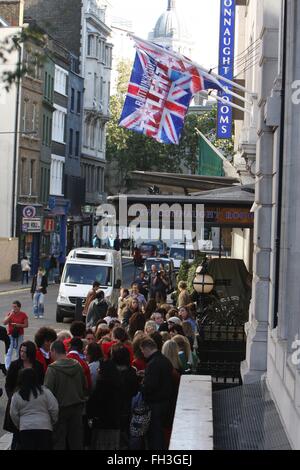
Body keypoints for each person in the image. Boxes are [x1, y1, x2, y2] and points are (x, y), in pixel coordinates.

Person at [44, 340, 87, 450]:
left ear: (54, 351)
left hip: (60, 410)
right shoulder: (77, 366)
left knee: (59, 442)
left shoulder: (52, 369)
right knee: (76, 442)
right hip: (77, 408)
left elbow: (48, 393)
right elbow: (84, 386)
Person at [3, 341, 44, 450]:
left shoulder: (38, 366)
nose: (21, 353)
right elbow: (8, 385)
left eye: (24, 351)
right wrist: (12, 397)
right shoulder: (15, 365)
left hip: (33, 404)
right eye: (20, 351)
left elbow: (41, 384)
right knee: (16, 436)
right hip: (17, 403)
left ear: (30, 352)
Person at [9, 368, 59, 450]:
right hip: (44, 426)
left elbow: (13, 413)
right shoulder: (45, 392)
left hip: (25, 428)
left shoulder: (17, 395)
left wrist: (19, 424)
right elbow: (54, 408)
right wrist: (52, 421)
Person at [139, 337, 175, 450]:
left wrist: (140, 385)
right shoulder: (164, 360)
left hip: (155, 404)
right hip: (166, 402)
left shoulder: (153, 363)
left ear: (146, 349)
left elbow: (150, 386)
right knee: (159, 433)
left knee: (155, 435)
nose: (142, 354)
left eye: (142, 351)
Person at [86, 359, 122, 450]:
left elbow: (92, 406)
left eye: (99, 369)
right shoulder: (118, 385)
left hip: (101, 425)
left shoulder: (101, 387)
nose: (98, 370)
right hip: (114, 424)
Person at [110, 344, 139, 449]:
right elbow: (135, 390)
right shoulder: (132, 372)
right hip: (127, 407)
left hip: (112, 409)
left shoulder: (109, 372)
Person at [3, 301, 29, 370]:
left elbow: (26, 325)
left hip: (19, 335)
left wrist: (18, 325)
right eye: (13, 307)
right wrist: (10, 315)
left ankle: (18, 367)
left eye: (15, 307)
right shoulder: (10, 314)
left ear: (19, 307)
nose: (14, 308)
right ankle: (7, 368)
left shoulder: (23, 315)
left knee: (18, 351)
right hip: (10, 335)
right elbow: (4, 323)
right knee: (9, 351)